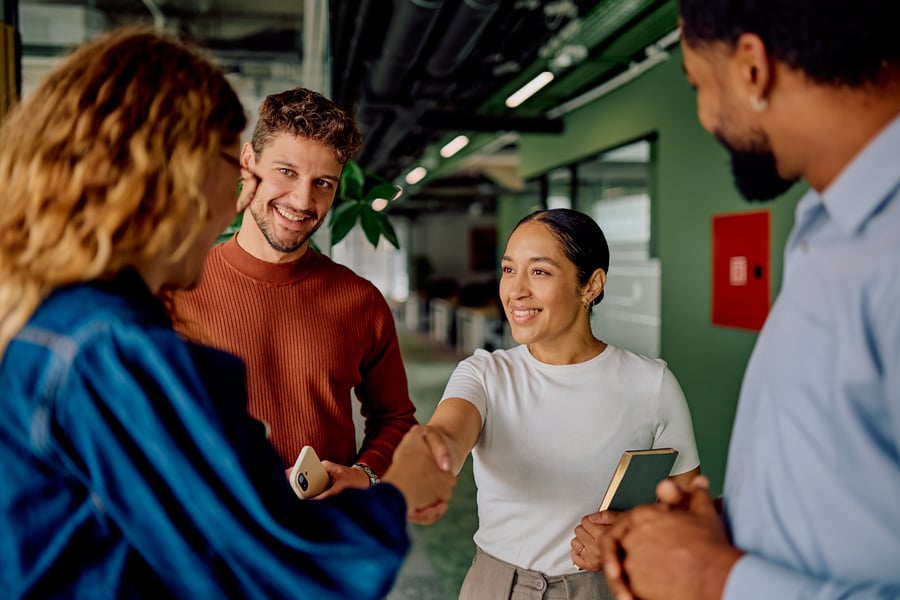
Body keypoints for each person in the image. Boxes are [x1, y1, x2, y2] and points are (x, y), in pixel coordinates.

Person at [0, 27, 454, 598]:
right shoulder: (109, 347)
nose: (235, 198)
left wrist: (362, 477)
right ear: (180, 172)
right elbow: (272, 571)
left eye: (322, 184)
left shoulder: (55, 321)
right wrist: (399, 492)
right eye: (235, 168)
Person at [585, 1, 900, 599]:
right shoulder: (825, 229)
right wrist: (734, 523)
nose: (705, 116)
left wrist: (714, 578)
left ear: (753, 68)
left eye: (699, 83)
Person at [420, 208, 701, 599]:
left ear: (591, 285)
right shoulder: (484, 373)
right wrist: (429, 456)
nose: (516, 290)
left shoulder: (651, 384)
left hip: (605, 588)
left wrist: (628, 536)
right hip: (496, 587)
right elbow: (449, 431)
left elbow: (690, 515)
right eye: (508, 269)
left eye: (539, 272)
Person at [168, 87, 416, 494]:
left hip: (324, 542)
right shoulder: (173, 292)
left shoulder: (360, 302)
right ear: (248, 162)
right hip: (211, 542)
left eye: (323, 183)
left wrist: (363, 473)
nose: (303, 200)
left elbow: (396, 419)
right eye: (286, 172)